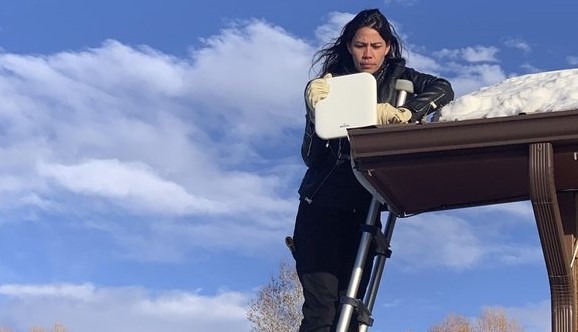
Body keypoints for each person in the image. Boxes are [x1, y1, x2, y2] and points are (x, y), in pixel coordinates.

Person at [289, 8, 455, 332]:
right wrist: (313, 115)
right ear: (349, 47)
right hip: (320, 204)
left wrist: (406, 112)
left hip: (364, 207)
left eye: (375, 46)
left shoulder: (401, 78)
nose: (367, 54)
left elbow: (444, 89)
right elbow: (312, 157)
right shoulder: (331, 83)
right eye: (360, 45)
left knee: (349, 310)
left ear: (388, 47)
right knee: (320, 309)